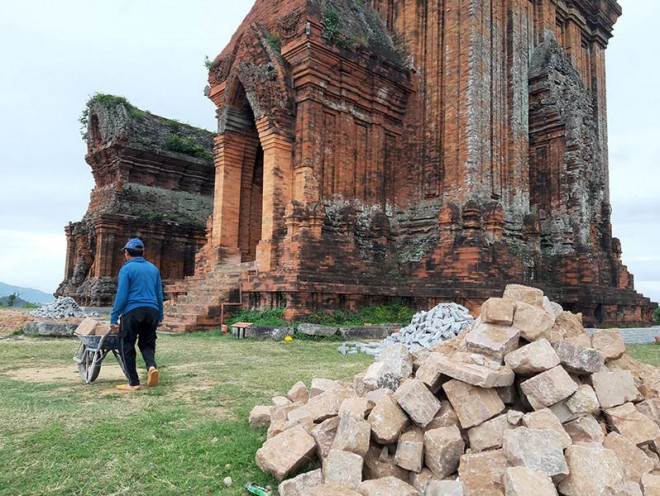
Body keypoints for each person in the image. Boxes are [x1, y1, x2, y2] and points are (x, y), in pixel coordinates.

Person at [110, 238, 163, 392]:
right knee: (147, 343)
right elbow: (159, 294)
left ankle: (133, 382)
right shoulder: (153, 269)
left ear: (126, 253)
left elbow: (122, 295)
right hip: (152, 311)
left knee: (125, 344)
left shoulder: (127, 269)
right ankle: (151, 367)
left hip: (133, 311)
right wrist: (160, 315)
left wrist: (114, 317)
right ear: (143, 252)